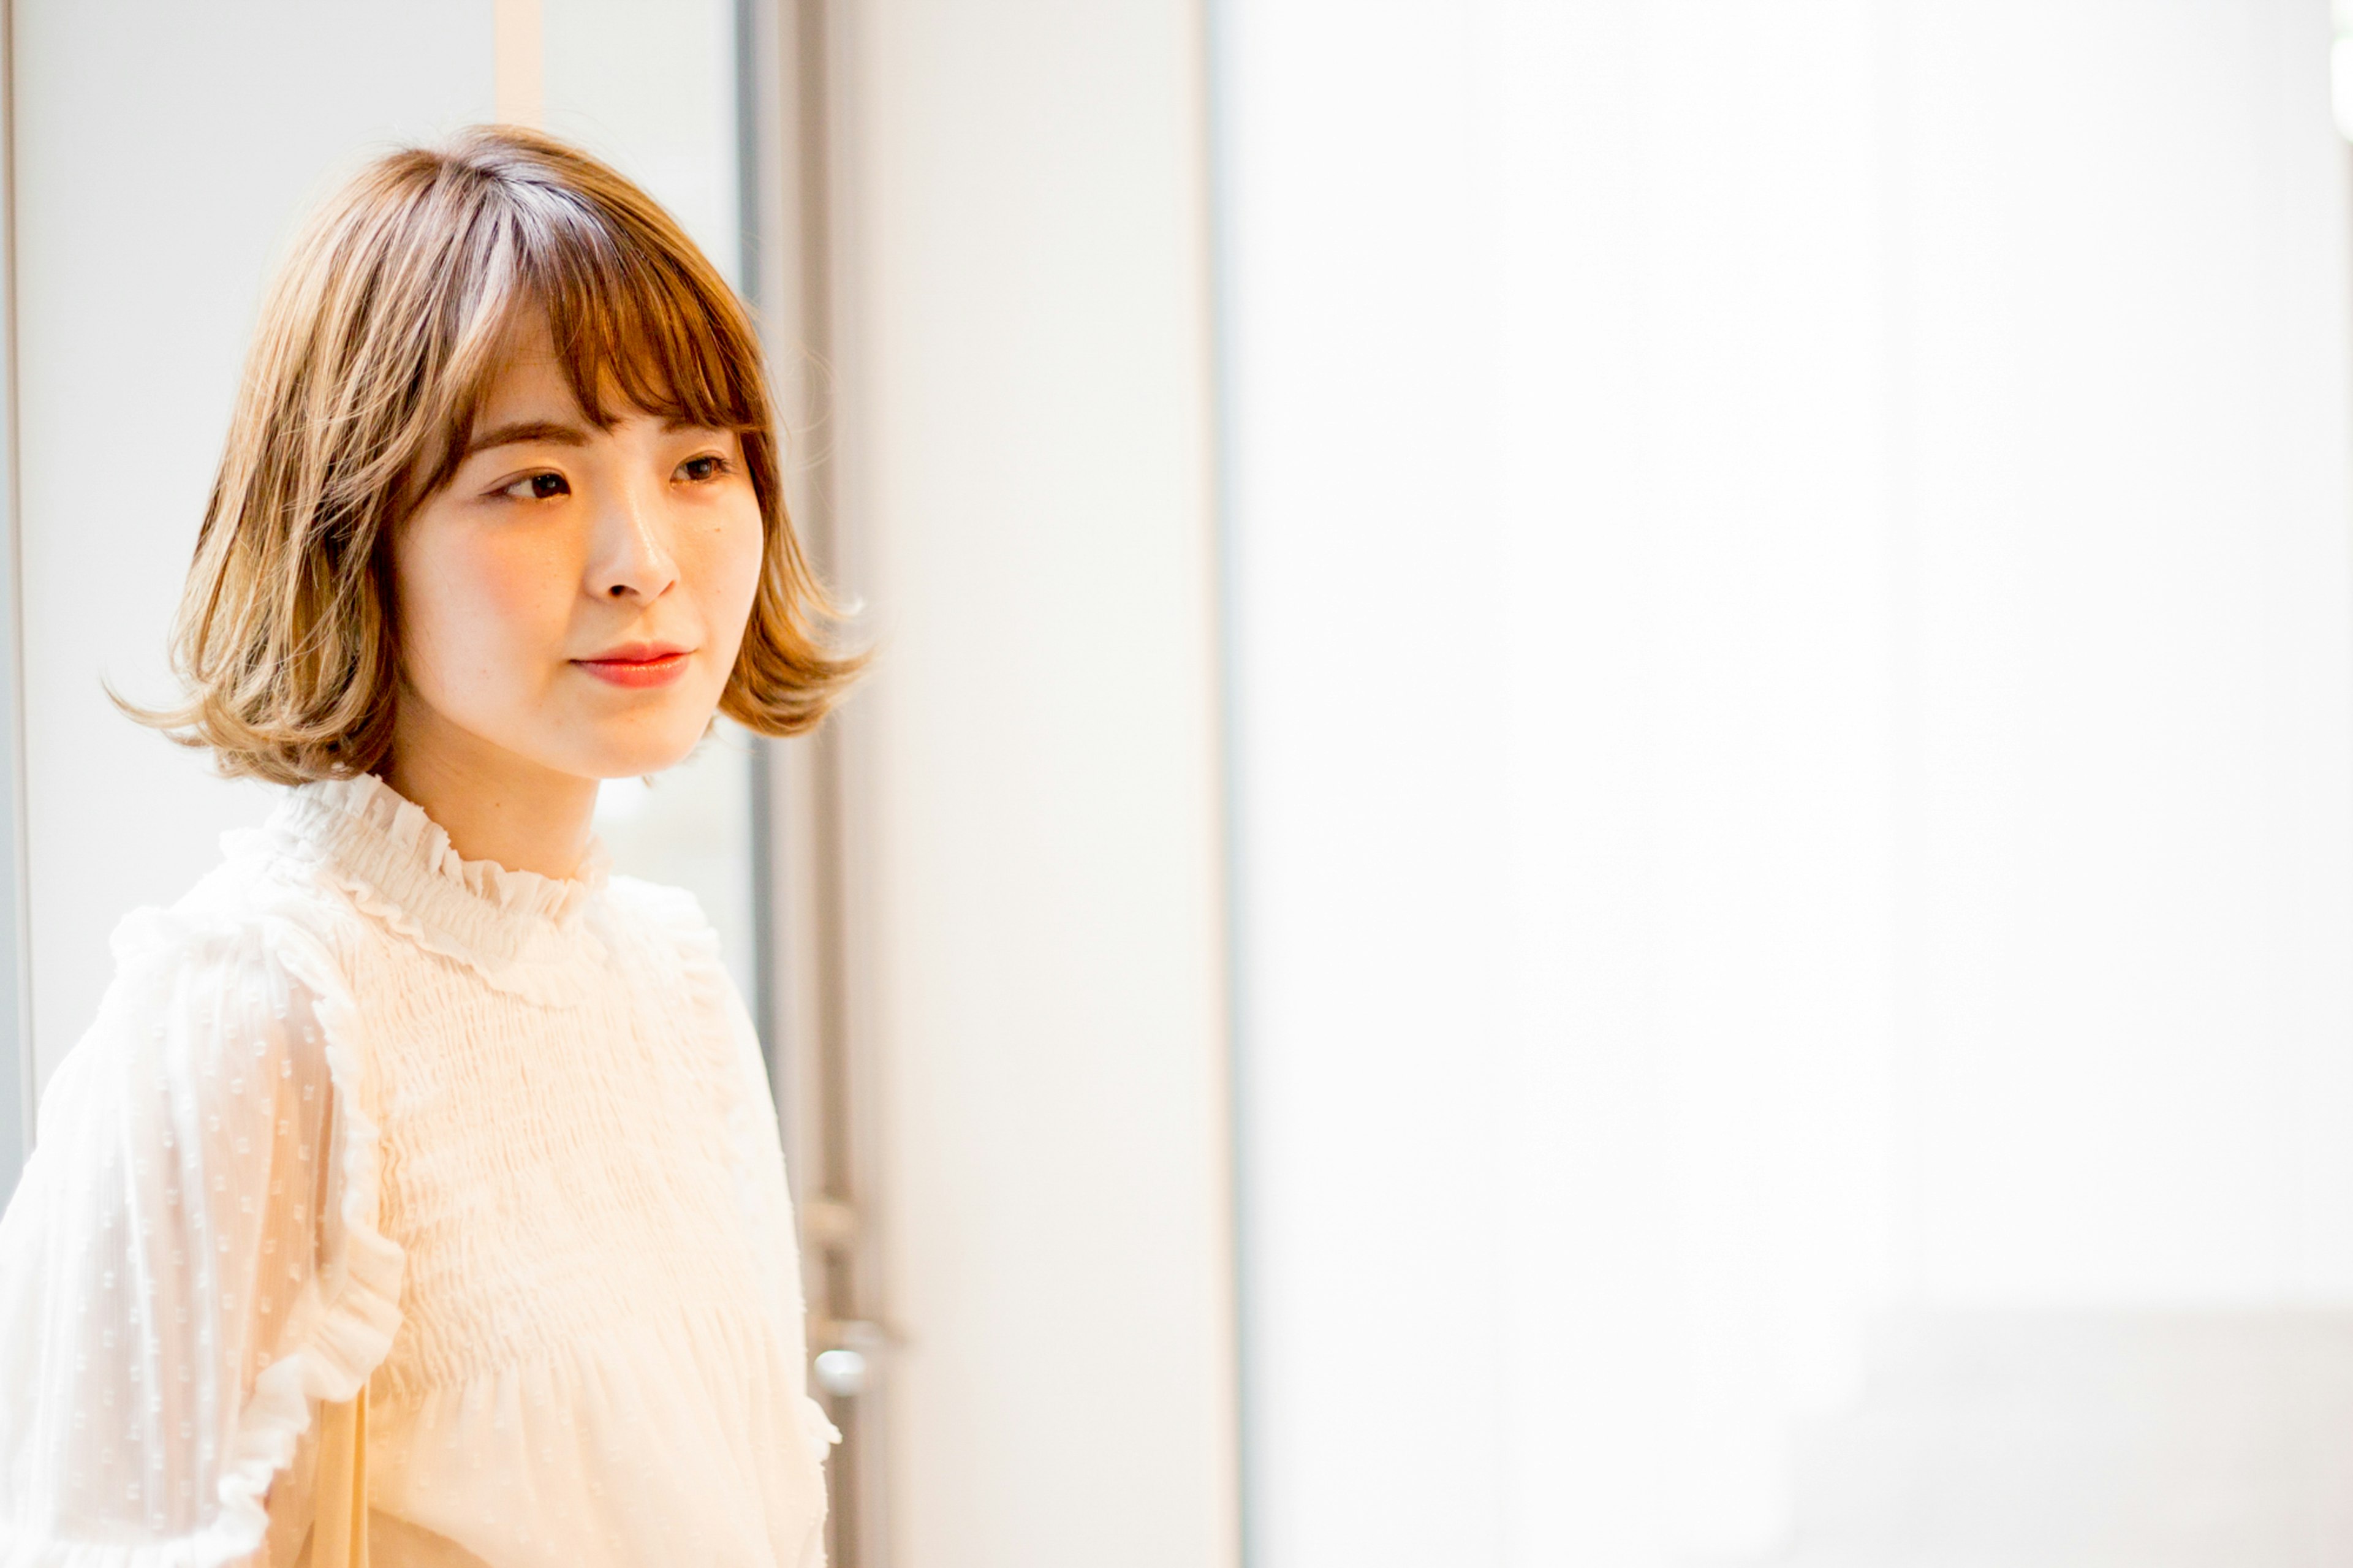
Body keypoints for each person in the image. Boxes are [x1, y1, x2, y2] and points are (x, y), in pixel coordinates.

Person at [0, 126, 862, 1566]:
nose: (643, 555)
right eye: (537, 481)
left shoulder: (666, 981)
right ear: (355, 532)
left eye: (701, 461)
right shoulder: (262, 1011)